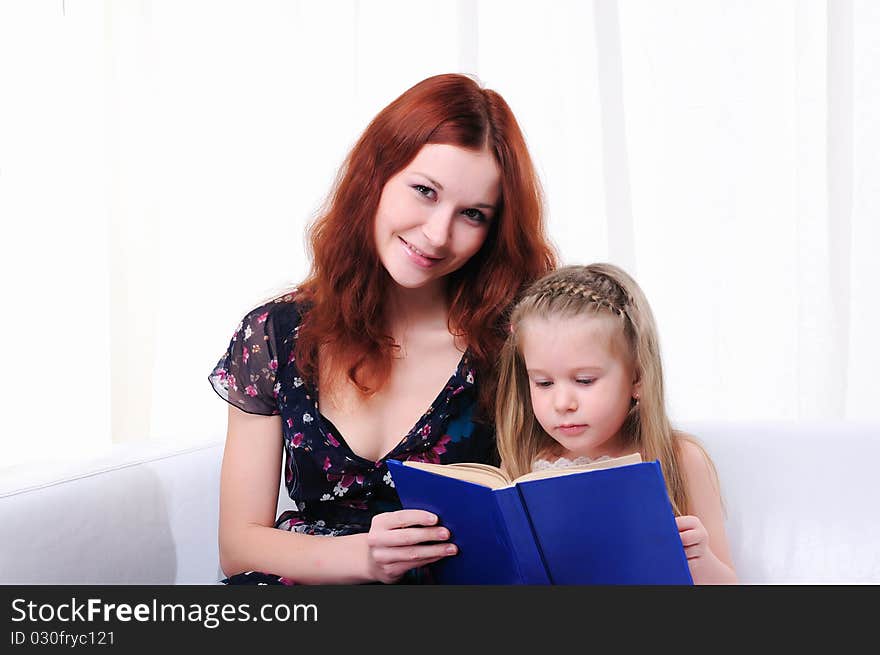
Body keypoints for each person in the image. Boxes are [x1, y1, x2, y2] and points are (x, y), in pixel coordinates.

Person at [208, 73, 557, 584]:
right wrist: (365, 557)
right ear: (376, 175)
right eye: (424, 191)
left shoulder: (512, 345)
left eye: (473, 214)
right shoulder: (275, 334)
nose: (438, 234)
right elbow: (238, 545)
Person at [495, 264, 737, 584]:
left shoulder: (681, 458)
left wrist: (700, 557)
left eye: (584, 380)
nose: (562, 403)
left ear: (637, 378)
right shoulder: (525, 462)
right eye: (543, 383)